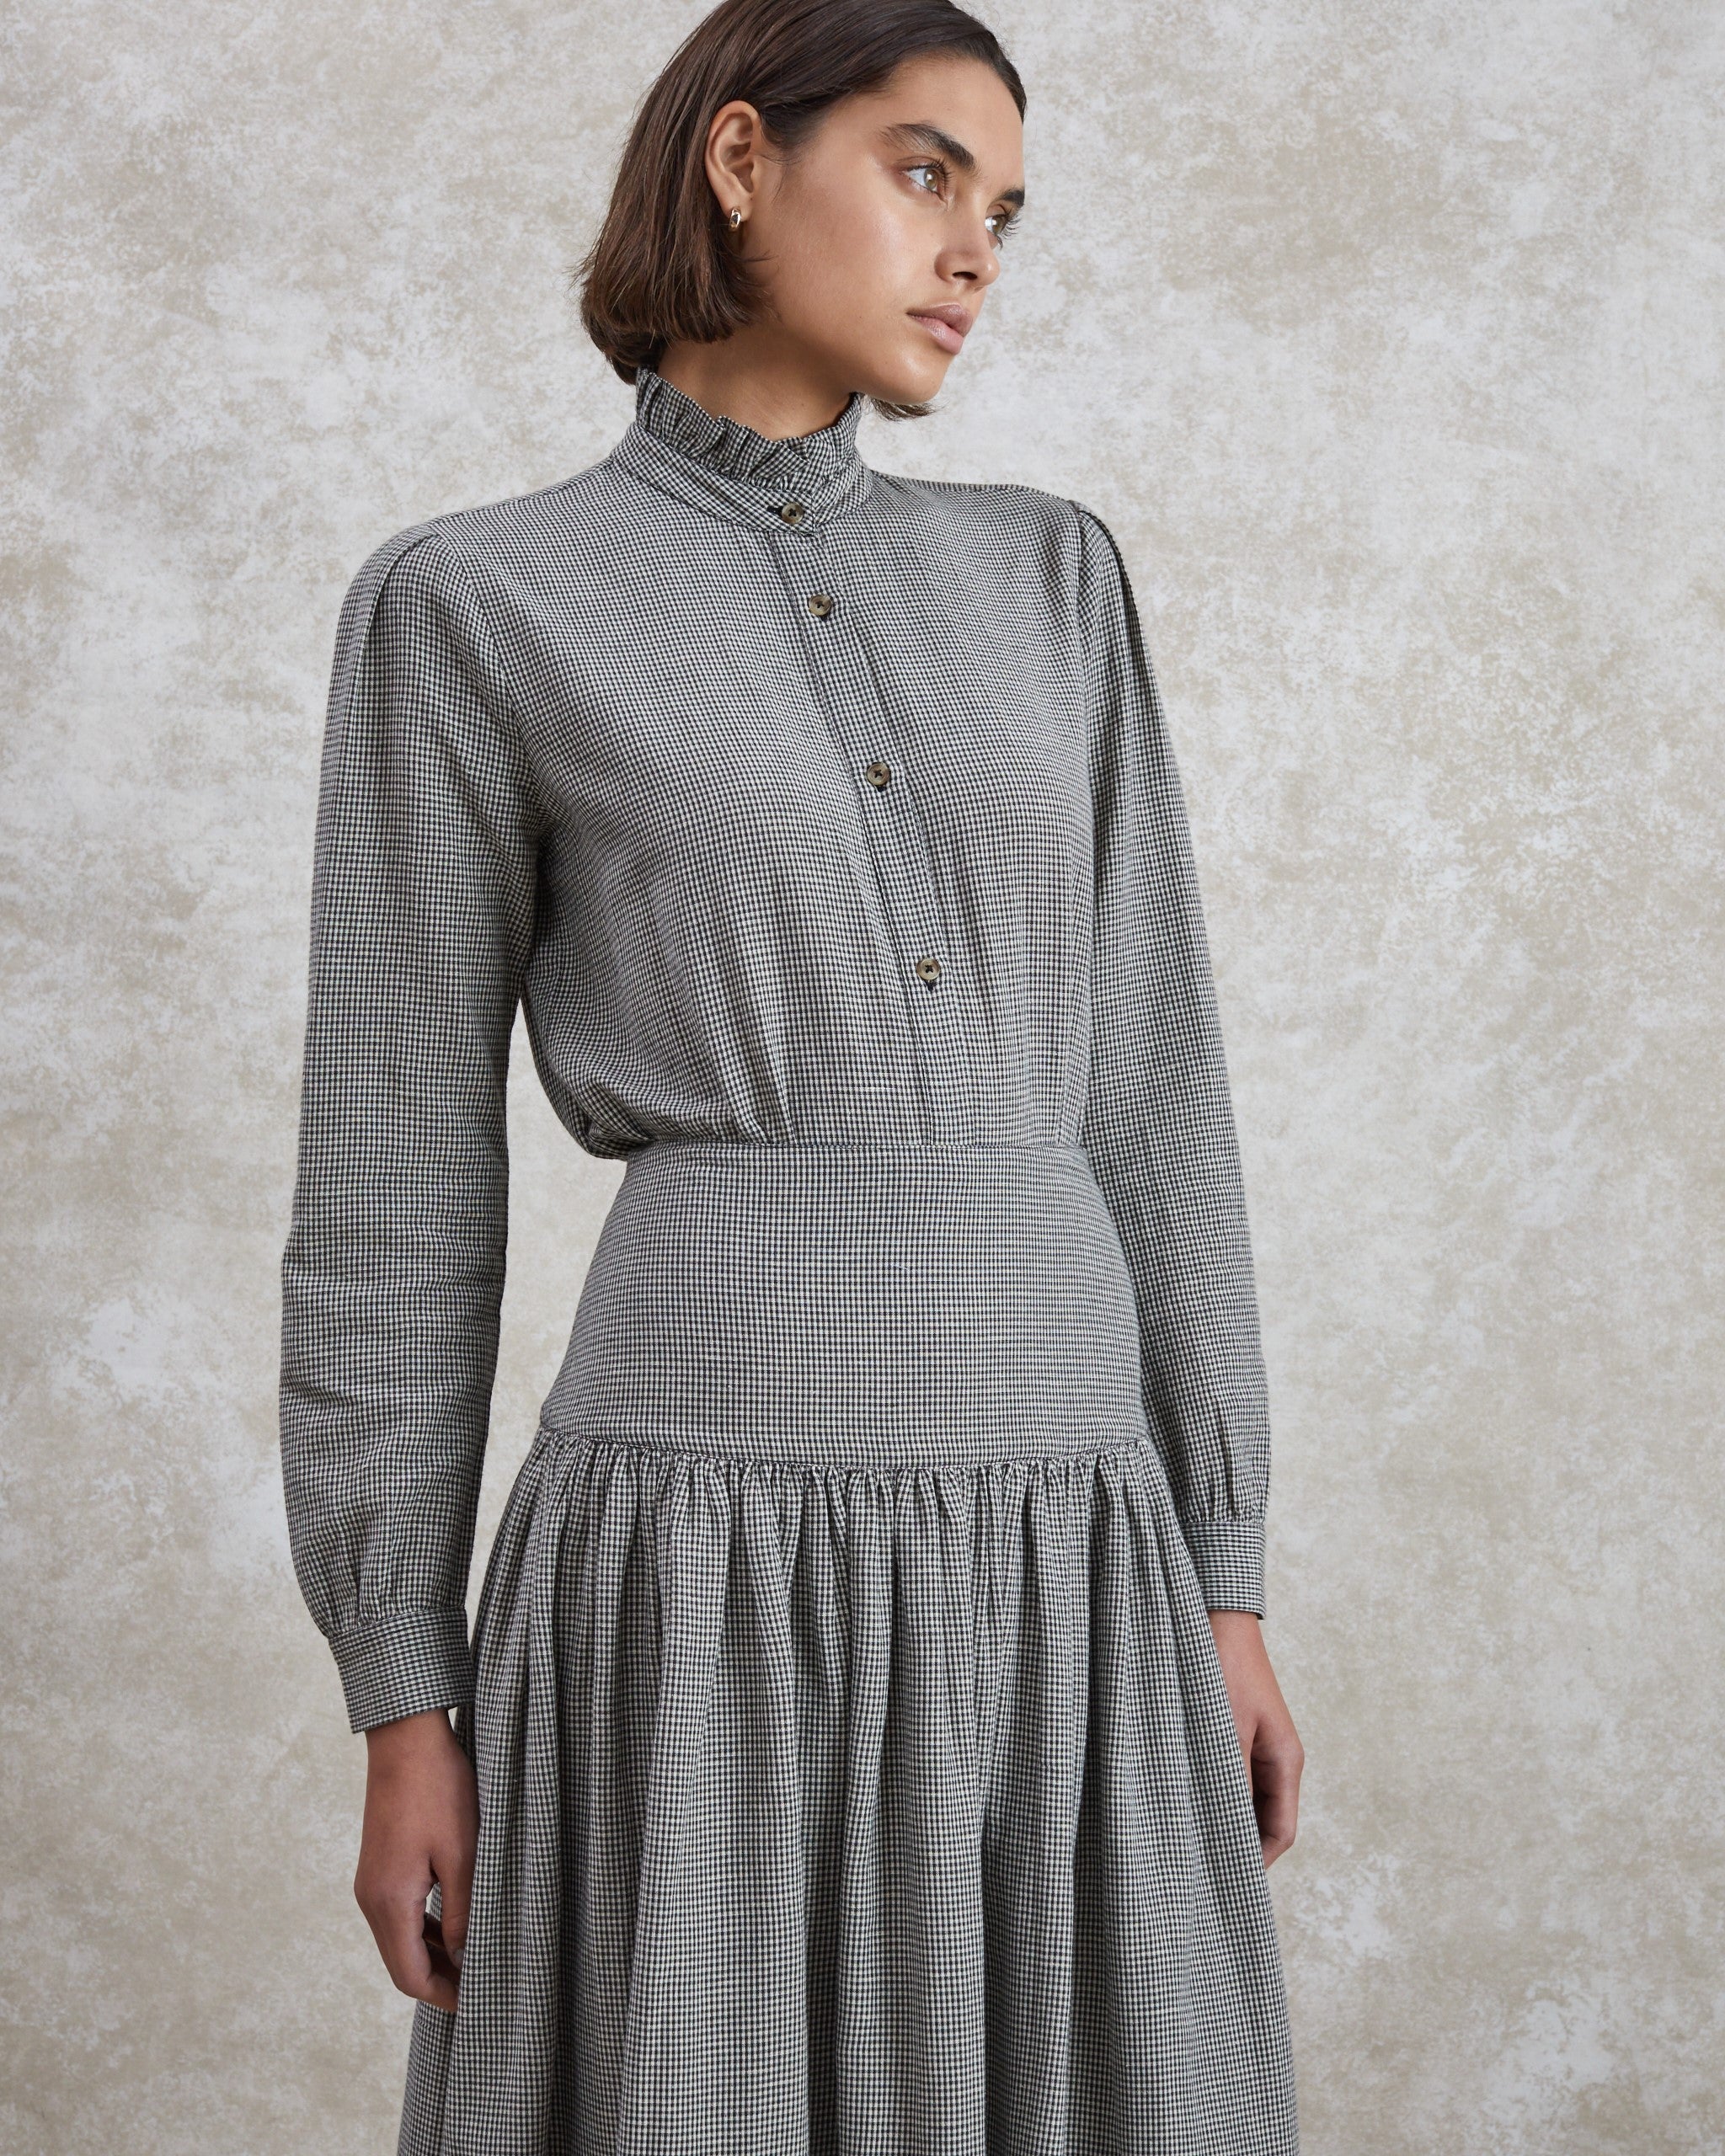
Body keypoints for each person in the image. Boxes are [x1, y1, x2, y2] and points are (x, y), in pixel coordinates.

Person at [278, 1, 1305, 2149]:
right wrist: (402, 1692)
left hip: (1071, 1541)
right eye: (925, 172)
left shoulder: (1053, 577)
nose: (974, 250)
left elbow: (1151, 1089)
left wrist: (1219, 1573)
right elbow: (393, 1186)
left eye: (1003, 209)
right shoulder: (477, 603)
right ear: (740, 160)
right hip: (699, 1565)